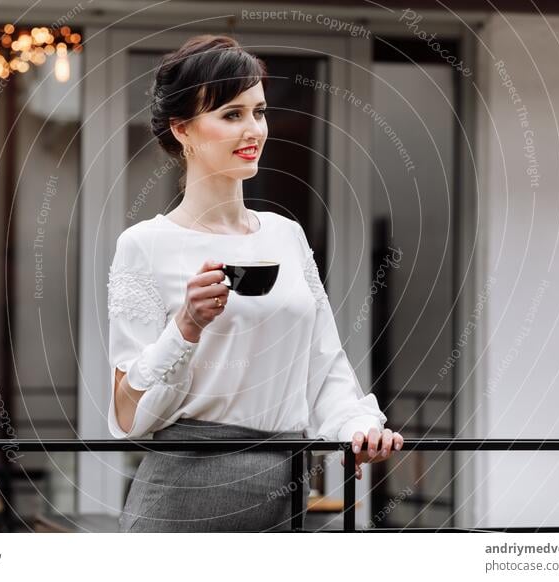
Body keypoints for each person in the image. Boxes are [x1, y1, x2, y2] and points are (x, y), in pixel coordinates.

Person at [107, 34, 403, 532]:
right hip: (181, 496)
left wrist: (359, 427)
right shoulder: (145, 244)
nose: (254, 130)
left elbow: (324, 365)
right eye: (230, 114)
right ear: (183, 130)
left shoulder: (286, 236)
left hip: (285, 488)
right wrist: (186, 326)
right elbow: (127, 415)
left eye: (258, 111)